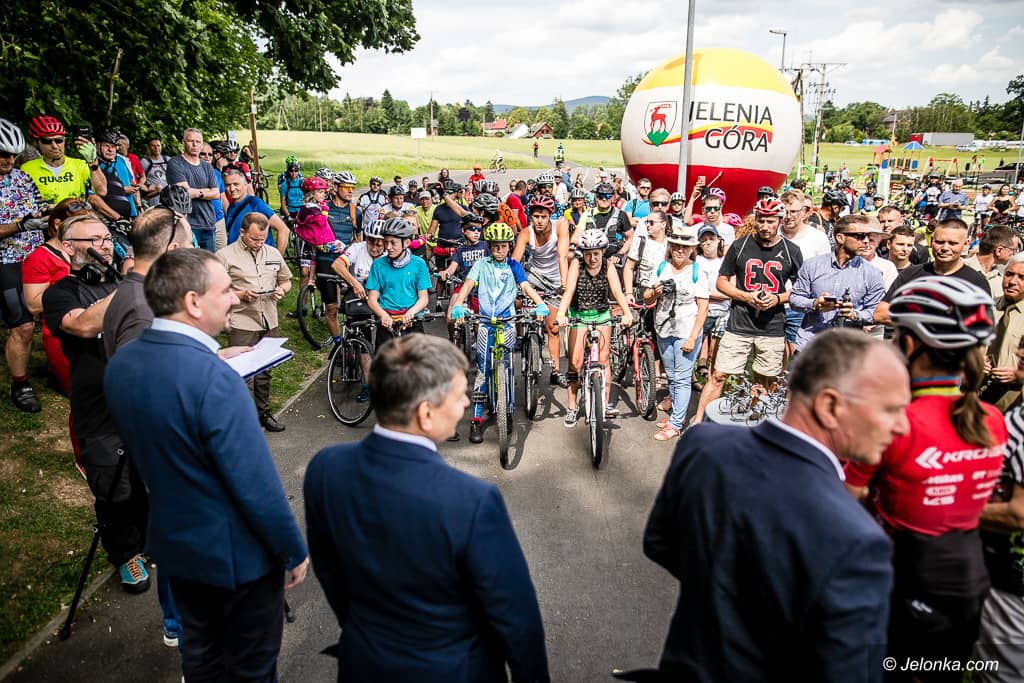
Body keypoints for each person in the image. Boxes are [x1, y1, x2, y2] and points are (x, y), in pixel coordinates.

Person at [644, 329, 910, 681]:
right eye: (891, 409)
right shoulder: (859, 539)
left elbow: (659, 543)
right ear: (830, 406)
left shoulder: (702, 444)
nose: (902, 426)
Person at [104, 248, 309, 681]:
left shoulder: (122, 364)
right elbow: (255, 484)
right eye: (226, 290)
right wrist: (292, 550)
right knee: (251, 667)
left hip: (175, 544)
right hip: (236, 559)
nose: (234, 298)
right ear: (193, 302)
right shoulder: (215, 381)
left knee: (200, 657)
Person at [303, 333, 549, 681]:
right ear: (426, 413)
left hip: (364, 663)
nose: (467, 403)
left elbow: (330, 573)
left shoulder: (325, 469)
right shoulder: (471, 500)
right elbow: (515, 616)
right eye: (459, 395)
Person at [845, 277, 1006, 680]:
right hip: (970, 573)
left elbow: (844, 500)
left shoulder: (896, 421)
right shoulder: (992, 419)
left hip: (904, 574)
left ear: (910, 344)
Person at [42, 215, 150, 592]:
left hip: (139, 400)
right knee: (112, 487)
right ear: (68, 246)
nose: (105, 245)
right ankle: (125, 554)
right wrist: (132, 286)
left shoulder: (121, 283)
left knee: (145, 478)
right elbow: (83, 326)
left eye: (107, 238)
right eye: (94, 240)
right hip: (99, 407)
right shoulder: (60, 293)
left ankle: (149, 539)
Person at [101, 206, 192, 647]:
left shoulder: (135, 290)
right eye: (188, 246)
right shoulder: (142, 307)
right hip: (161, 448)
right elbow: (140, 390)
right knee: (179, 535)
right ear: (171, 249)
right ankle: (179, 623)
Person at [691, 198, 804, 424]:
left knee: (765, 380)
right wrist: (745, 296)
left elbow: (801, 289)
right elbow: (721, 281)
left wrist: (777, 298)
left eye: (771, 221)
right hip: (739, 323)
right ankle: (698, 423)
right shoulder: (740, 245)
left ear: (780, 221)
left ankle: (755, 425)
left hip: (772, 326)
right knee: (719, 375)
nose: (765, 226)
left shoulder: (791, 250)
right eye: (761, 220)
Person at [450, 222, 548, 443]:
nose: (499, 250)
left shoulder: (514, 266)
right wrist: (458, 304)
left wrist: (540, 303)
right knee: (483, 370)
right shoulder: (481, 265)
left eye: (503, 246)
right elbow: (468, 284)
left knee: (508, 367)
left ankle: (508, 411)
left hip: (507, 323)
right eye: (495, 246)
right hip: (485, 323)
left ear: (509, 246)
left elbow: (525, 286)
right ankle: (476, 420)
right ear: (490, 246)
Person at [218, 213, 292, 432]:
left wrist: (282, 290)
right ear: (242, 232)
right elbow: (215, 290)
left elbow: (286, 280)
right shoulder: (224, 256)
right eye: (254, 239)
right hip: (242, 321)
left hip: (269, 319)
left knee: (265, 370)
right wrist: (240, 295)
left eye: (263, 239)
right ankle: (243, 419)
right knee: (242, 372)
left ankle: (264, 413)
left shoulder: (272, 253)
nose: (259, 243)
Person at [554, 229, 633, 426]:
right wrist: (561, 314)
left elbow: (617, 291)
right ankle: (572, 407)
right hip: (579, 315)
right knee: (575, 363)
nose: (592, 258)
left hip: (602, 314)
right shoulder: (577, 264)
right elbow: (569, 291)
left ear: (603, 251)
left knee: (604, 360)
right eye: (588, 254)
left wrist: (627, 312)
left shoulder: (608, 266)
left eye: (596, 253)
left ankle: (603, 404)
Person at [642, 224, 708, 440]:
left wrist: (692, 337)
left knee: (682, 378)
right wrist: (655, 291)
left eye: (685, 247)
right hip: (663, 328)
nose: (680, 250)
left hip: (687, 330)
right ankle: (674, 413)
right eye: (676, 246)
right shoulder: (662, 267)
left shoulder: (697, 272)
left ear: (692, 249)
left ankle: (676, 423)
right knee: (670, 374)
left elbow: (703, 309)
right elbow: (647, 298)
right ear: (670, 247)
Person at [22, 198, 92, 397]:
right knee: (87, 394)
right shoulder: (40, 258)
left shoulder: (85, 249)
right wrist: (71, 290)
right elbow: (33, 304)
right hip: (61, 333)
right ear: (58, 224)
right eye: (78, 224)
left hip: (89, 325)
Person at [0, 118, 46, 412]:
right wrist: (20, 225)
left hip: (36, 257)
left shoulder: (23, 178)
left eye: (13, 155)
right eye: (2, 154)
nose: (9, 160)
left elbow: (38, 210)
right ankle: (20, 383)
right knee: (23, 326)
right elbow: (23, 222)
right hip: (5, 261)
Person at [789, 215, 887, 351]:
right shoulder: (812, 265)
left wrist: (854, 314)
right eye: (859, 236)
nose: (866, 241)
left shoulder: (873, 274)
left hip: (848, 349)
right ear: (840, 238)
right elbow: (794, 299)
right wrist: (815, 304)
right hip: (810, 345)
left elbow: (875, 312)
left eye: (867, 236)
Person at [875, 219, 991, 325]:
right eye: (939, 242)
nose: (945, 248)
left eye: (952, 243)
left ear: (966, 244)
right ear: (931, 241)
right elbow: (880, 314)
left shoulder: (976, 282)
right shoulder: (911, 274)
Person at [512, 195, 570, 387]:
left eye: (543, 217)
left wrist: (564, 285)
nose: (539, 221)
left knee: (553, 328)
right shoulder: (525, 233)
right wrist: (514, 285)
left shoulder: (560, 225)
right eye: (536, 216)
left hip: (555, 280)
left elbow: (562, 257)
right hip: (534, 277)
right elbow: (515, 261)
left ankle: (555, 371)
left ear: (550, 216)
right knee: (517, 301)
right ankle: (521, 337)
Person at [366, 217, 431, 343]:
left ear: (406, 243)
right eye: (386, 242)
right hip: (387, 321)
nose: (388, 247)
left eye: (393, 243)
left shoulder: (419, 264)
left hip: (411, 320)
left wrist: (412, 312)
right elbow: (372, 299)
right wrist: (383, 315)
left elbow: (423, 298)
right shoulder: (378, 265)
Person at [21, 115, 107, 205]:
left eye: (59, 140)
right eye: (47, 141)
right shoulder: (27, 168)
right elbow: (24, 201)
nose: (54, 146)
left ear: (64, 140)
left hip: (76, 212)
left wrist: (93, 163)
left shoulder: (79, 165)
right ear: (36, 143)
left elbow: (102, 191)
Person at [166, 128, 221, 252]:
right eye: (191, 141)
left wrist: (197, 192)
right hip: (186, 223)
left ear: (202, 144)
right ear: (183, 142)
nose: (195, 144)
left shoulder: (206, 166)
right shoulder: (175, 163)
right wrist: (206, 191)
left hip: (208, 222)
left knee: (208, 261)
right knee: (188, 260)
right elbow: (184, 193)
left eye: (198, 141)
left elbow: (216, 193)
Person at [981, 254, 1024, 411]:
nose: (1012, 281)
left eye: (1022, 277)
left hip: (1013, 399)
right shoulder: (986, 308)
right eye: (1009, 274)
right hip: (977, 394)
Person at [694, 225, 729, 387]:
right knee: (694, 348)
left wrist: (717, 294)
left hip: (723, 311)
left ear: (718, 240)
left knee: (715, 352)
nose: (708, 243)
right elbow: (700, 291)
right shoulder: (697, 262)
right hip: (702, 310)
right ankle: (692, 380)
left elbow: (731, 284)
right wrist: (726, 294)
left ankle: (710, 383)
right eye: (704, 240)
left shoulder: (725, 261)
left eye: (711, 239)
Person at [222, 168, 290, 248]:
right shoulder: (231, 206)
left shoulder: (255, 204)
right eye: (228, 185)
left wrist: (276, 255)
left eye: (236, 184)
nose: (232, 189)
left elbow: (283, 229)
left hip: (258, 254)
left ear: (245, 185)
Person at [964, 225, 1017, 300]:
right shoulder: (961, 270)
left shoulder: (1002, 278)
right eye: (1013, 250)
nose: (1014, 254)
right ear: (999, 251)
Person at [139, 137, 169, 208]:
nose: (156, 148)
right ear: (149, 147)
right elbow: (139, 180)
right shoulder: (144, 162)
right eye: (153, 146)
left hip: (168, 196)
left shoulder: (168, 159)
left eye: (158, 145)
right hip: (153, 197)